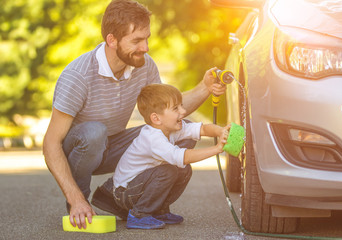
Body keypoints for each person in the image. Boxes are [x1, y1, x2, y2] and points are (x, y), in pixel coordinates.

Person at [42, 0, 226, 230]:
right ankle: (80, 203)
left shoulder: (144, 66)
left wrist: (205, 87)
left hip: (114, 145)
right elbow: (50, 143)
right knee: (93, 133)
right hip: (81, 150)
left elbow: (167, 112)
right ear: (112, 40)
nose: (146, 47)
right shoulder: (78, 76)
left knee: (181, 126)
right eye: (137, 40)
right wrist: (75, 198)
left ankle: (127, 200)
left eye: (146, 38)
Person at [112, 83, 230, 229]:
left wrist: (221, 131)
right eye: (176, 108)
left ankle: (158, 210)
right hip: (125, 193)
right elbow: (183, 156)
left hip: (138, 186)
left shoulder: (170, 127)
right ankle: (139, 214)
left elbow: (202, 129)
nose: (183, 111)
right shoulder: (152, 138)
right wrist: (217, 148)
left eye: (181, 105)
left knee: (184, 170)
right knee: (168, 171)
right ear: (156, 119)